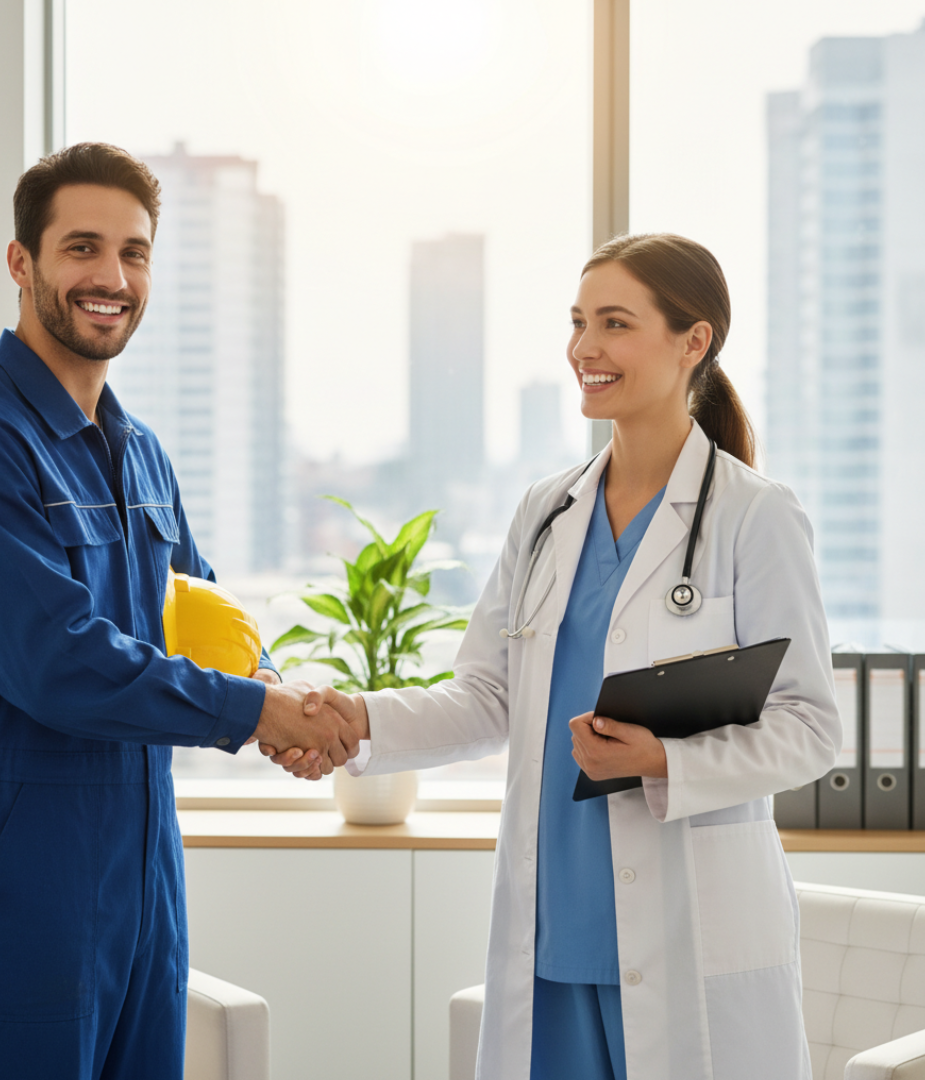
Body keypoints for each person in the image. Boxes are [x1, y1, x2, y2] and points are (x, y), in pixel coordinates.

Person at [272, 234, 841, 1080]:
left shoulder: (754, 516)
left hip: (688, 930)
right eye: (578, 323)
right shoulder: (547, 512)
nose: (585, 348)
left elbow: (810, 729)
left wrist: (666, 760)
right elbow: (489, 697)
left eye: (615, 323)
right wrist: (357, 719)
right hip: (553, 930)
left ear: (696, 341)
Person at [0, 142, 357, 1080]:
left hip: (146, 849)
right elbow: (52, 659)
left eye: (134, 253)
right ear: (22, 262)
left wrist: (272, 690)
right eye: (83, 248)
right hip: (24, 842)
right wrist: (257, 715)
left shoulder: (140, 451)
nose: (111, 277)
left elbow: (204, 615)